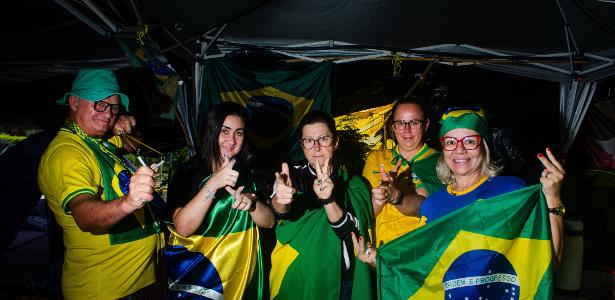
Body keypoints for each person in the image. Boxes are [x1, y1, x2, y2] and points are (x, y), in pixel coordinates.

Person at [353, 107, 564, 268]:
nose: (460, 150)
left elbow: (548, 263)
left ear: (484, 145)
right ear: (443, 149)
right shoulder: (434, 205)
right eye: (451, 142)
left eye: (470, 141)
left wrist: (553, 199)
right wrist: (377, 261)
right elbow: (424, 269)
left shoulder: (510, 190)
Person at [37, 68, 163, 299]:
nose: (108, 113)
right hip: (105, 288)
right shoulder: (67, 152)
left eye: (114, 107)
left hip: (134, 282)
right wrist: (129, 202)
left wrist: (127, 127)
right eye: (100, 104)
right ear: (74, 102)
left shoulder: (96, 143)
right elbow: (85, 216)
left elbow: (133, 144)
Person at [164, 102, 275, 299]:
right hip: (200, 280)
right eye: (225, 131)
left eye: (239, 133)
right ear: (212, 131)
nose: (231, 140)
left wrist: (252, 202)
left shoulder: (248, 173)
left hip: (241, 279)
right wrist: (214, 183)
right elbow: (182, 227)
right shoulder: (188, 172)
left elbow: (269, 222)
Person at [269, 110, 374, 300]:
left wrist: (328, 200)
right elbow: (280, 212)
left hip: (347, 282)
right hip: (303, 280)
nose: (316, 147)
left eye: (324, 139)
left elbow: (353, 232)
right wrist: (280, 200)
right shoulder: (291, 178)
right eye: (309, 141)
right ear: (302, 146)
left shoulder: (353, 183)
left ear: (336, 142)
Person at [362, 99, 443, 246]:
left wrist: (395, 195)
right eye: (400, 123)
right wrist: (380, 197)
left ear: (426, 125)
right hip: (379, 250)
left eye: (414, 123)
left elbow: (427, 208)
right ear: (393, 127)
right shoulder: (376, 158)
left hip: (419, 250)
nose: (407, 130)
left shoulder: (439, 161)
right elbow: (365, 213)